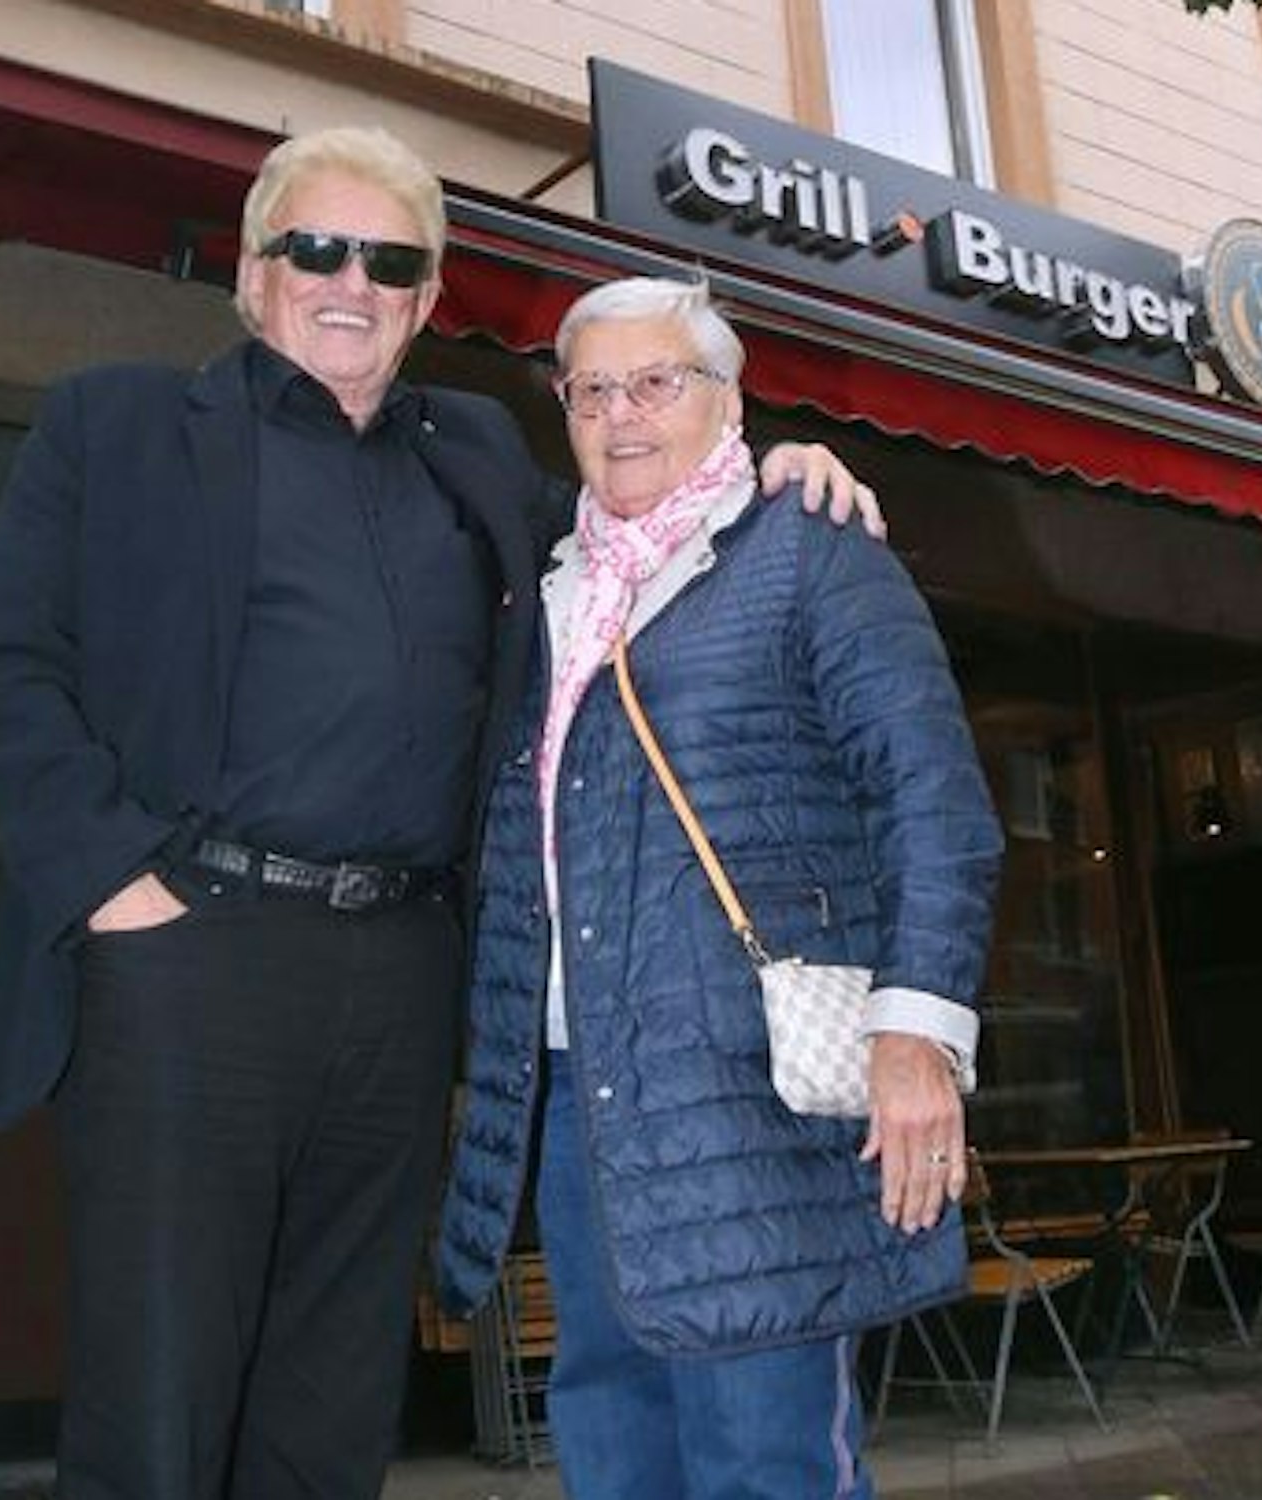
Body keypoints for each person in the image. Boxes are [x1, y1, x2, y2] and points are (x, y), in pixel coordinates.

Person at [0, 128, 871, 1499]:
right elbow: (2, 679)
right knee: (161, 1393)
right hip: (188, 955)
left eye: (390, 260)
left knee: (336, 1390)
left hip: (402, 975)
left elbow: (647, 516)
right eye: (315, 247)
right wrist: (117, 893)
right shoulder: (115, 425)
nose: (349, 281)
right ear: (256, 275)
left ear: (428, 300)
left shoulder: (478, 451)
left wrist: (783, 467)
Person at [435, 277, 1003, 1498]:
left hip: (755, 1096)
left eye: (657, 382)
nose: (622, 413)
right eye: (593, 390)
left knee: (764, 1456)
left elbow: (933, 803)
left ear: (726, 398)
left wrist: (914, 1035)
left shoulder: (805, 547)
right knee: (608, 1434)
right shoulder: (546, 588)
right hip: (584, 1098)